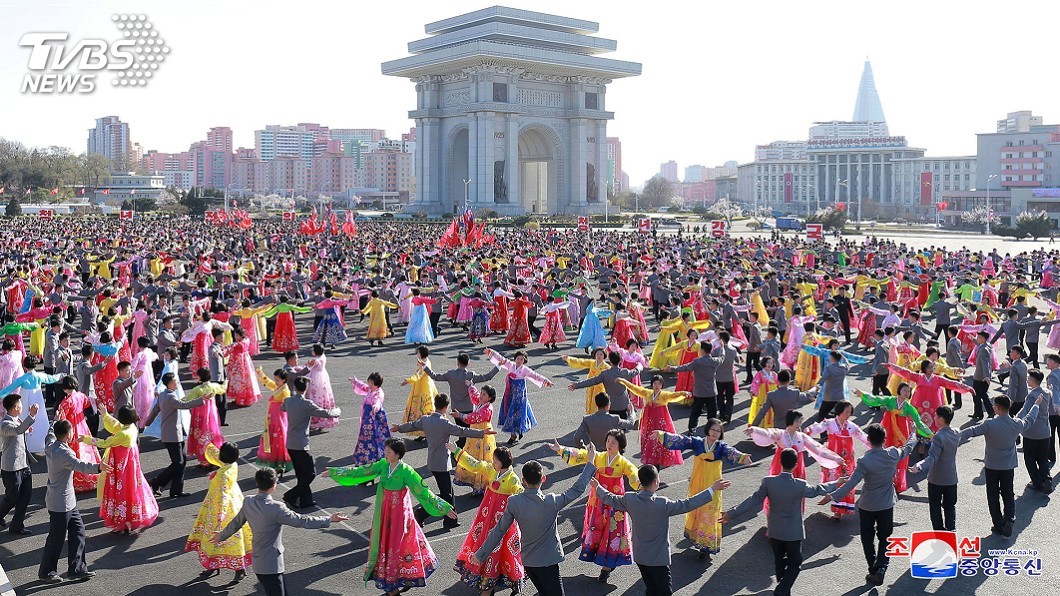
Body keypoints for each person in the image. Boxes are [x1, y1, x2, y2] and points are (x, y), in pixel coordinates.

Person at [322, 438, 455, 595]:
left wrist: (444, 508)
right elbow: (361, 471)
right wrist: (335, 472)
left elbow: (423, 491)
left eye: (388, 452)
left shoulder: (406, 471)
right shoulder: (383, 466)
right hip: (385, 515)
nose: (385, 454)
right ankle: (395, 583)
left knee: (399, 547)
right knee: (387, 546)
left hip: (400, 518)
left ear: (397, 454)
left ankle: (396, 583)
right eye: (385, 451)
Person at [471, 443, 599, 596]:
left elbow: (498, 531)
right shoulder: (551, 501)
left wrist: (480, 555)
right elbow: (577, 489)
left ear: (523, 480)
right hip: (548, 562)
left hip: (528, 562)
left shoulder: (514, 502)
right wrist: (590, 462)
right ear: (543, 479)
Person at [592, 464, 732, 596]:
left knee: (651, 588)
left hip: (640, 556)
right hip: (658, 559)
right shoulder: (662, 504)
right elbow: (688, 504)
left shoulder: (630, 499)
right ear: (656, 483)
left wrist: (598, 487)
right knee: (665, 592)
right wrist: (712, 489)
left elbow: (609, 498)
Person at [721, 448, 844, 596]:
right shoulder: (800, 484)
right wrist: (837, 482)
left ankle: (783, 586)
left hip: (775, 530)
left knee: (779, 560)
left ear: (780, 462)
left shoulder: (768, 482)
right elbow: (818, 490)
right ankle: (782, 589)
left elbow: (753, 500)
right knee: (795, 563)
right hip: (793, 533)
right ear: (796, 465)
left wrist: (731, 513)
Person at [214, 467, 347, 596]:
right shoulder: (276, 508)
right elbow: (302, 521)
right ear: (273, 485)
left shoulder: (248, 501)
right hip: (272, 564)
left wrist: (220, 536)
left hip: (259, 561)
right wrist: (329, 519)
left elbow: (236, 523)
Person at [822, 422, 919, 587]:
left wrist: (832, 496)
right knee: (885, 537)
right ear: (884, 439)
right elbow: (908, 447)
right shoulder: (893, 454)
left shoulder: (864, 460)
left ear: (869, 439)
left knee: (868, 538)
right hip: (886, 504)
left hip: (867, 505)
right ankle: (882, 567)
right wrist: (913, 434)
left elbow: (851, 482)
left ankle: (873, 568)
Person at [392, 392, 493, 528]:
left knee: (449, 492)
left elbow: (412, 425)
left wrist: (399, 428)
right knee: (446, 495)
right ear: (446, 408)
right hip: (442, 464)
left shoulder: (426, 420)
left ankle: (451, 520)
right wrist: (481, 433)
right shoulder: (444, 423)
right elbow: (462, 431)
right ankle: (421, 513)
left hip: (432, 461)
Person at [549, 432, 639, 583]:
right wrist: (561, 449)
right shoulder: (598, 456)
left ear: (620, 446)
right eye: (608, 441)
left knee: (613, 531)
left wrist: (643, 484)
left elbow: (634, 474)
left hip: (615, 504)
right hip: (597, 501)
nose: (609, 444)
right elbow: (582, 454)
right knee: (597, 529)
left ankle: (606, 566)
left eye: (614, 443)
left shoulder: (623, 462)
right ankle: (603, 560)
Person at [656, 420, 751, 561]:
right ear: (707, 429)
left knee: (710, 513)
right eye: (713, 429)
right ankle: (697, 539)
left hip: (714, 484)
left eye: (718, 431)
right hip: (697, 483)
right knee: (696, 508)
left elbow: (732, 451)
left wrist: (743, 457)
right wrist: (662, 435)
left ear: (721, 434)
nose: (714, 433)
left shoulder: (721, 447)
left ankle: (706, 547)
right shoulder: (698, 442)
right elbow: (683, 440)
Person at [958, 393, 1044, 537]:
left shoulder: (989, 424)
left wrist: (955, 434)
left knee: (992, 496)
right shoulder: (1016, 423)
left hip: (992, 465)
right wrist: (1036, 404)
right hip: (1008, 465)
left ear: (997, 408)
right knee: (1008, 493)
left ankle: (998, 524)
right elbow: (1029, 419)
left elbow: (973, 431)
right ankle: (1009, 519)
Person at [38, 419, 113, 583]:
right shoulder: (64, 453)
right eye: (71, 431)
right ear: (67, 435)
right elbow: (80, 465)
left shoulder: (51, 444)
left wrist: (55, 420)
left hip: (65, 500)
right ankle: (46, 572)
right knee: (56, 539)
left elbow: (50, 434)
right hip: (62, 503)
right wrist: (99, 467)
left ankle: (77, 569)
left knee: (79, 531)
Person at [448, 442, 526, 595]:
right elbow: (476, 465)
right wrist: (456, 451)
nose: (492, 462)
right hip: (486, 517)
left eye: (495, 461)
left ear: (503, 462)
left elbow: (520, 495)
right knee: (483, 543)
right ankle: (486, 575)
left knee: (502, 549)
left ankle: (498, 579)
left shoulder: (512, 479)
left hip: (502, 521)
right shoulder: (492, 470)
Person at [84, 406, 160, 532]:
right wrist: (105, 415)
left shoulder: (122, 434)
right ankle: (129, 520)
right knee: (130, 490)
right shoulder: (131, 428)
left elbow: (104, 443)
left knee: (120, 492)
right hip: (129, 466)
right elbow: (116, 426)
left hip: (120, 467)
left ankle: (121, 522)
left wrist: (86, 439)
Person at [186, 441, 251, 582]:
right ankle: (237, 568)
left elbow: (222, 497)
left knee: (216, 537)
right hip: (235, 503)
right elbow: (216, 455)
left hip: (220, 509)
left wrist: (219, 517)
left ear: (222, 456)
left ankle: (221, 566)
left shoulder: (223, 475)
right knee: (234, 538)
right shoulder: (232, 465)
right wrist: (209, 446)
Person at [144, 372, 210, 499]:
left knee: (182, 461)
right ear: (169, 383)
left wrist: (146, 422)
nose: (177, 383)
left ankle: (176, 490)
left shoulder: (163, 395)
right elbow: (183, 405)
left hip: (175, 434)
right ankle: (156, 482)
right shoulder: (170, 397)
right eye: (175, 381)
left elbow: (155, 410)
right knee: (178, 462)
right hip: (172, 435)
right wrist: (202, 400)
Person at [803, 400, 871, 519]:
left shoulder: (852, 426)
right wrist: (808, 431)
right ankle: (836, 508)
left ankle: (840, 509)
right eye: (846, 412)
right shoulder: (829, 423)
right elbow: (817, 428)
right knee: (834, 481)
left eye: (850, 412)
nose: (848, 414)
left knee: (846, 482)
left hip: (847, 460)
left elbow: (863, 437)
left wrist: (876, 445)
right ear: (839, 412)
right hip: (833, 458)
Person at [281, 376, 340, 509]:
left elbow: (282, 408)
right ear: (305, 389)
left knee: (301, 474)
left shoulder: (288, 401)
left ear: (295, 388)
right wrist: (336, 412)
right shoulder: (307, 404)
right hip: (301, 443)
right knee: (310, 473)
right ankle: (290, 495)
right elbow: (325, 413)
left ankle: (305, 500)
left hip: (290, 442)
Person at [485, 348, 553, 445]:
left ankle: (513, 436)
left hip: (519, 396)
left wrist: (546, 381)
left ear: (524, 361)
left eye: (522, 359)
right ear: (515, 358)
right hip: (510, 393)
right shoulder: (510, 365)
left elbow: (535, 375)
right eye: (518, 358)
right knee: (509, 412)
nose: (519, 360)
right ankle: (518, 431)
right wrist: (490, 352)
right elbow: (500, 358)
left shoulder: (525, 370)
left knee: (517, 414)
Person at [909, 405, 961, 530]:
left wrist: (919, 466)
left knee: (935, 507)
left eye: (936, 416)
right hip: (951, 478)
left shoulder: (938, 437)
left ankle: (939, 532)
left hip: (937, 479)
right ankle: (951, 530)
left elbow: (932, 458)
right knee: (950, 506)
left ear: (941, 420)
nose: (934, 417)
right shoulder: (956, 432)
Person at [619, 376, 684, 468]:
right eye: (655, 383)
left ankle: (658, 461)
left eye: (659, 384)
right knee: (649, 440)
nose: (657, 385)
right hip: (649, 422)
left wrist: (683, 393)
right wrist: (624, 381)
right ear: (652, 385)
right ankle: (651, 460)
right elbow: (635, 388)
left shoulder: (664, 395)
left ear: (662, 385)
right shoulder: (648, 393)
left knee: (661, 440)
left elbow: (674, 395)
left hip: (661, 422)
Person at [54, 376, 101, 492]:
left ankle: (77, 480)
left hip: (72, 429)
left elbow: (61, 418)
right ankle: (92, 476)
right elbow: (87, 405)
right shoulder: (81, 395)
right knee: (87, 450)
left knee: (73, 454)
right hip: (82, 426)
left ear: (64, 388)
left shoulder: (66, 401)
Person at [0, 394, 39, 534]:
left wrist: (27, 428)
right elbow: (17, 430)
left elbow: (21, 429)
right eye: (20, 404)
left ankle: (17, 526)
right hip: (12, 467)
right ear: (16, 407)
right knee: (12, 497)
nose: (22, 406)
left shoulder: (17, 419)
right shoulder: (5, 424)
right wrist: (31, 416)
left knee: (25, 496)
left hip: (24, 464)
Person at [665, 340, 723, 434]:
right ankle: (711, 431)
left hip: (699, 392)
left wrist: (672, 368)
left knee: (695, 413)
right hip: (711, 392)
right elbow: (722, 357)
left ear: (702, 350)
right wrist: (722, 347)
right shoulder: (715, 361)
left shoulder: (697, 362)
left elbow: (685, 367)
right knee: (712, 414)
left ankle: (692, 430)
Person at [453, 384, 499, 494]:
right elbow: (474, 395)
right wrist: (470, 386)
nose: (481, 396)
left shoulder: (487, 409)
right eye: (482, 393)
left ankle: (481, 485)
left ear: (490, 398)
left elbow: (474, 417)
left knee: (482, 458)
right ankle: (475, 483)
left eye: (484, 394)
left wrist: (460, 415)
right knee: (473, 456)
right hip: (475, 433)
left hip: (484, 435)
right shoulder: (481, 402)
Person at [569, 351, 641, 419]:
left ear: (610, 361)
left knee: (612, 428)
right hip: (623, 404)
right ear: (620, 361)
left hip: (610, 405)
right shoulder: (624, 372)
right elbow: (635, 371)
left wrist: (577, 385)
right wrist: (640, 366)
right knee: (622, 426)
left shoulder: (605, 374)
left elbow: (592, 381)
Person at [1017, 369, 1053, 493]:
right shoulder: (1047, 392)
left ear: (1033, 380)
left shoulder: (1032, 395)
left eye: (1029, 378)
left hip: (1032, 432)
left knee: (1030, 458)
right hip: (1045, 431)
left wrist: (1014, 420)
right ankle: (1047, 479)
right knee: (1043, 459)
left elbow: (1025, 410)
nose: (1027, 380)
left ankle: (1037, 483)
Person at [184, 368, 227, 468]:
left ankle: (204, 460)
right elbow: (223, 389)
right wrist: (226, 381)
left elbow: (188, 400)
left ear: (200, 377)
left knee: (201, 437)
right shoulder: (214, 386)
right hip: (212, 415)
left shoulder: (198, 389)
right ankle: (214, 458)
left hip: (200, 416)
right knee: (213, 434)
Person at [571, 392, 638, 451]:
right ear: (608, 405)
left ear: (597, 404)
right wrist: (632, 413)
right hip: (611, 453)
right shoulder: (614, 418)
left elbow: (576, 437)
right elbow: (630, 423)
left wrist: (584, 448)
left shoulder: (587, 419)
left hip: (596, 454)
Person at [350, 373, 392, 467]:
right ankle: (365, 456)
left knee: (374, 437)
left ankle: (373, 456)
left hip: (373, 419)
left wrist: (375, 407)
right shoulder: (370, 389)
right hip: (367, 419)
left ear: (376, 383)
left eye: (371, 382)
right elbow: (363, 387)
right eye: (369, 381)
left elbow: (378, 401)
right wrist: (355, 381)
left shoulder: (378, 392)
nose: (368, 383)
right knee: (366, 437)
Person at [256, 368, 292, 474]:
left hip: (279, 420)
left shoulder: (285, 391)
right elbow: (270, 383)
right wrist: (261, 375)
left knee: (279, 442)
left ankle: (280, 463)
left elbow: (287, 406)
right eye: (275, 379)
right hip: (272, 419)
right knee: (272, 441)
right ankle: (275, 462)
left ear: (284, 380)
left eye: (278, 380)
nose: (275, 382)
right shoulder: (279, 387)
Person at [400, 345, 437, 438]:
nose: (417, 354)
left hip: (424, 388)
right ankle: (424, 431)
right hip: (423, 385)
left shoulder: (425, 364)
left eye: (418, 352)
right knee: (422, 408)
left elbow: (418, 375)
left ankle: (427, 431)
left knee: (424, 408)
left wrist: (408, 380)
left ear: (421, 354)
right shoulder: (424, 361)